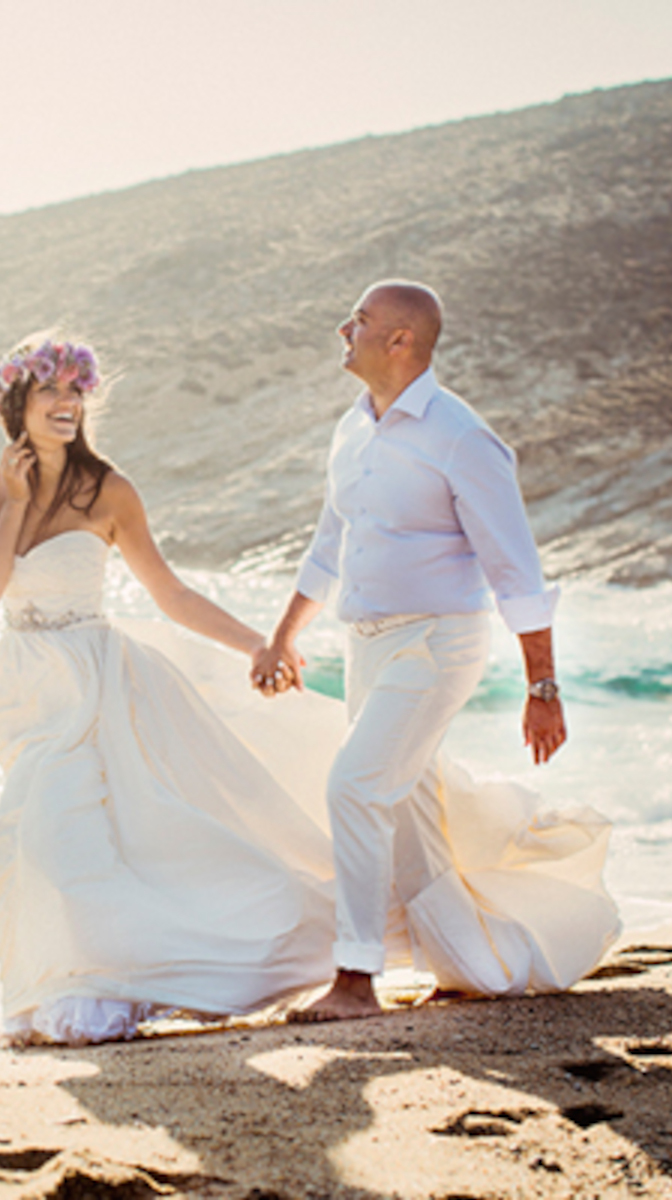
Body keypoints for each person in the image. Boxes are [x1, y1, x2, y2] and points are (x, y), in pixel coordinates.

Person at [252, 280, 620, 1021]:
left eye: (358, 320)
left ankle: (355, 979)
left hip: (436, 643)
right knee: (410, 818)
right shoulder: (352, 428)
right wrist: (285, 634)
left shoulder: (461, 436)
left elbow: (515, 569)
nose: (342, 328)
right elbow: (332, 542)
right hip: (368, 646)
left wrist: (542, 687)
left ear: (401, 342)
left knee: (355, 787)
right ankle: (473, 965)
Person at [0, 334, 338, 1045]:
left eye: (77, 390)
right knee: (37, 840)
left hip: (99, 681)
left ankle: (96, 992)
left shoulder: (111, 490)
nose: (68, 403)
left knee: (71, 831)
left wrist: (257, 644)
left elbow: (169, 592)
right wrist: (13, 503)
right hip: (26, 687)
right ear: (16, 405)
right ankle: (71, 981)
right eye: (51, 390)